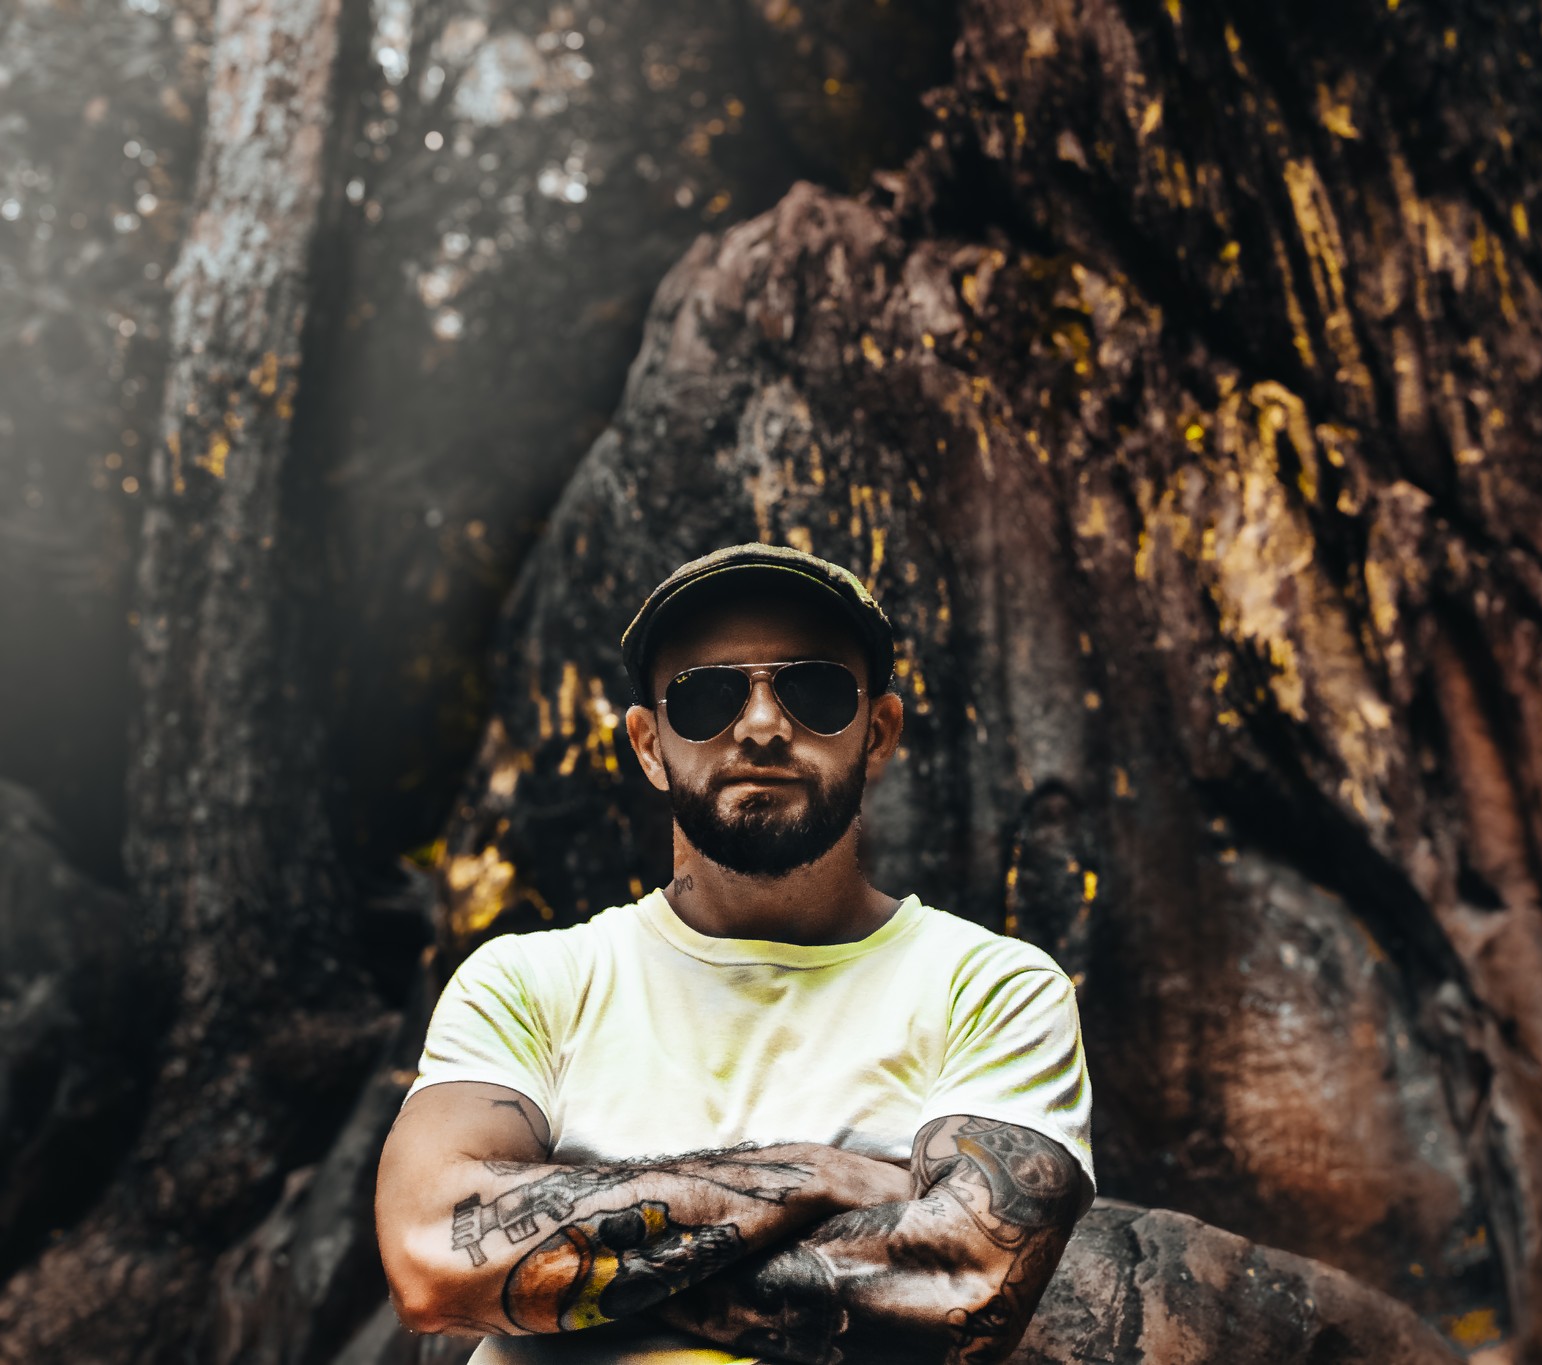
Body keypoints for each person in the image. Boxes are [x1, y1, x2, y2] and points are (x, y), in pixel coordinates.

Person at [374, 543, 1094, 1365]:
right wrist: (818, 1173)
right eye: (707, 696)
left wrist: (569, 1270)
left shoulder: (995, 987)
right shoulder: (530, 982)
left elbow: (965, 1287)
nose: (760, 724)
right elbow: (431, 1257)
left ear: (879, 731)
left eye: (813, 689)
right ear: (649, 746)